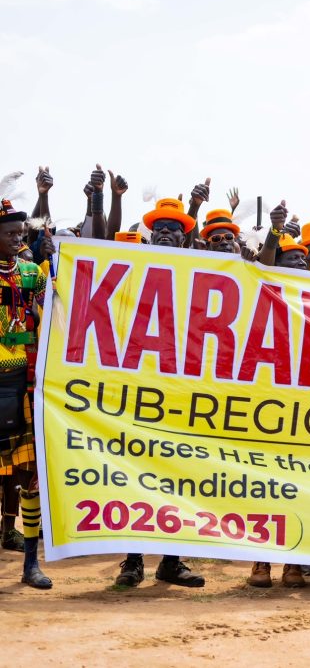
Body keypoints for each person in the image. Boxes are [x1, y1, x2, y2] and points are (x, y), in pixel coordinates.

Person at [115, 198, 206, 588]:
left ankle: (171, 559)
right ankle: (132, 560)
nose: (167, 231)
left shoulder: (202, 270)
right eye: (161, 226)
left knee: (178, 472)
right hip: (139, 381)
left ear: (186, 235)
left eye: (175, 226)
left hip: (183, 385)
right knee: (135, 472)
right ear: (152, 232)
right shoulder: (131, 263)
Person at [0, 202, 53, 588]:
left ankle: (31, 564)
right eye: (10, 234)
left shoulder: (33, 272)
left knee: (30, 477)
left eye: (21, 232)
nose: (19, 238)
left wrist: (58, 270)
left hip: (26, 382)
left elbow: (52, 309)